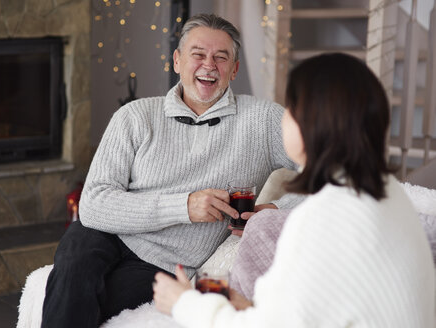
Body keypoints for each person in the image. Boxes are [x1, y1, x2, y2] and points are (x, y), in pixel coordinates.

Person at [41, 14, 297, 328]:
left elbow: (337, 172)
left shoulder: (264, 120)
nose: (209, 65)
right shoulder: (134, 116)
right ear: (177, 61)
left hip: (162, 263)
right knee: (72, 266)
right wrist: (185, 206)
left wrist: (275, 209)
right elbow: (92, 205)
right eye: (198, 55)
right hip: (102, 233)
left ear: (235, 69)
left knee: (83, 299)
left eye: (221, 57)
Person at [153, 53, 436, 327]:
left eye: (288, 109)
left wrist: (184, 303)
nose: (282, 119)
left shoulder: (321, 218)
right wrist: (241, 305)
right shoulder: (386, 193)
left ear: (312, 124)